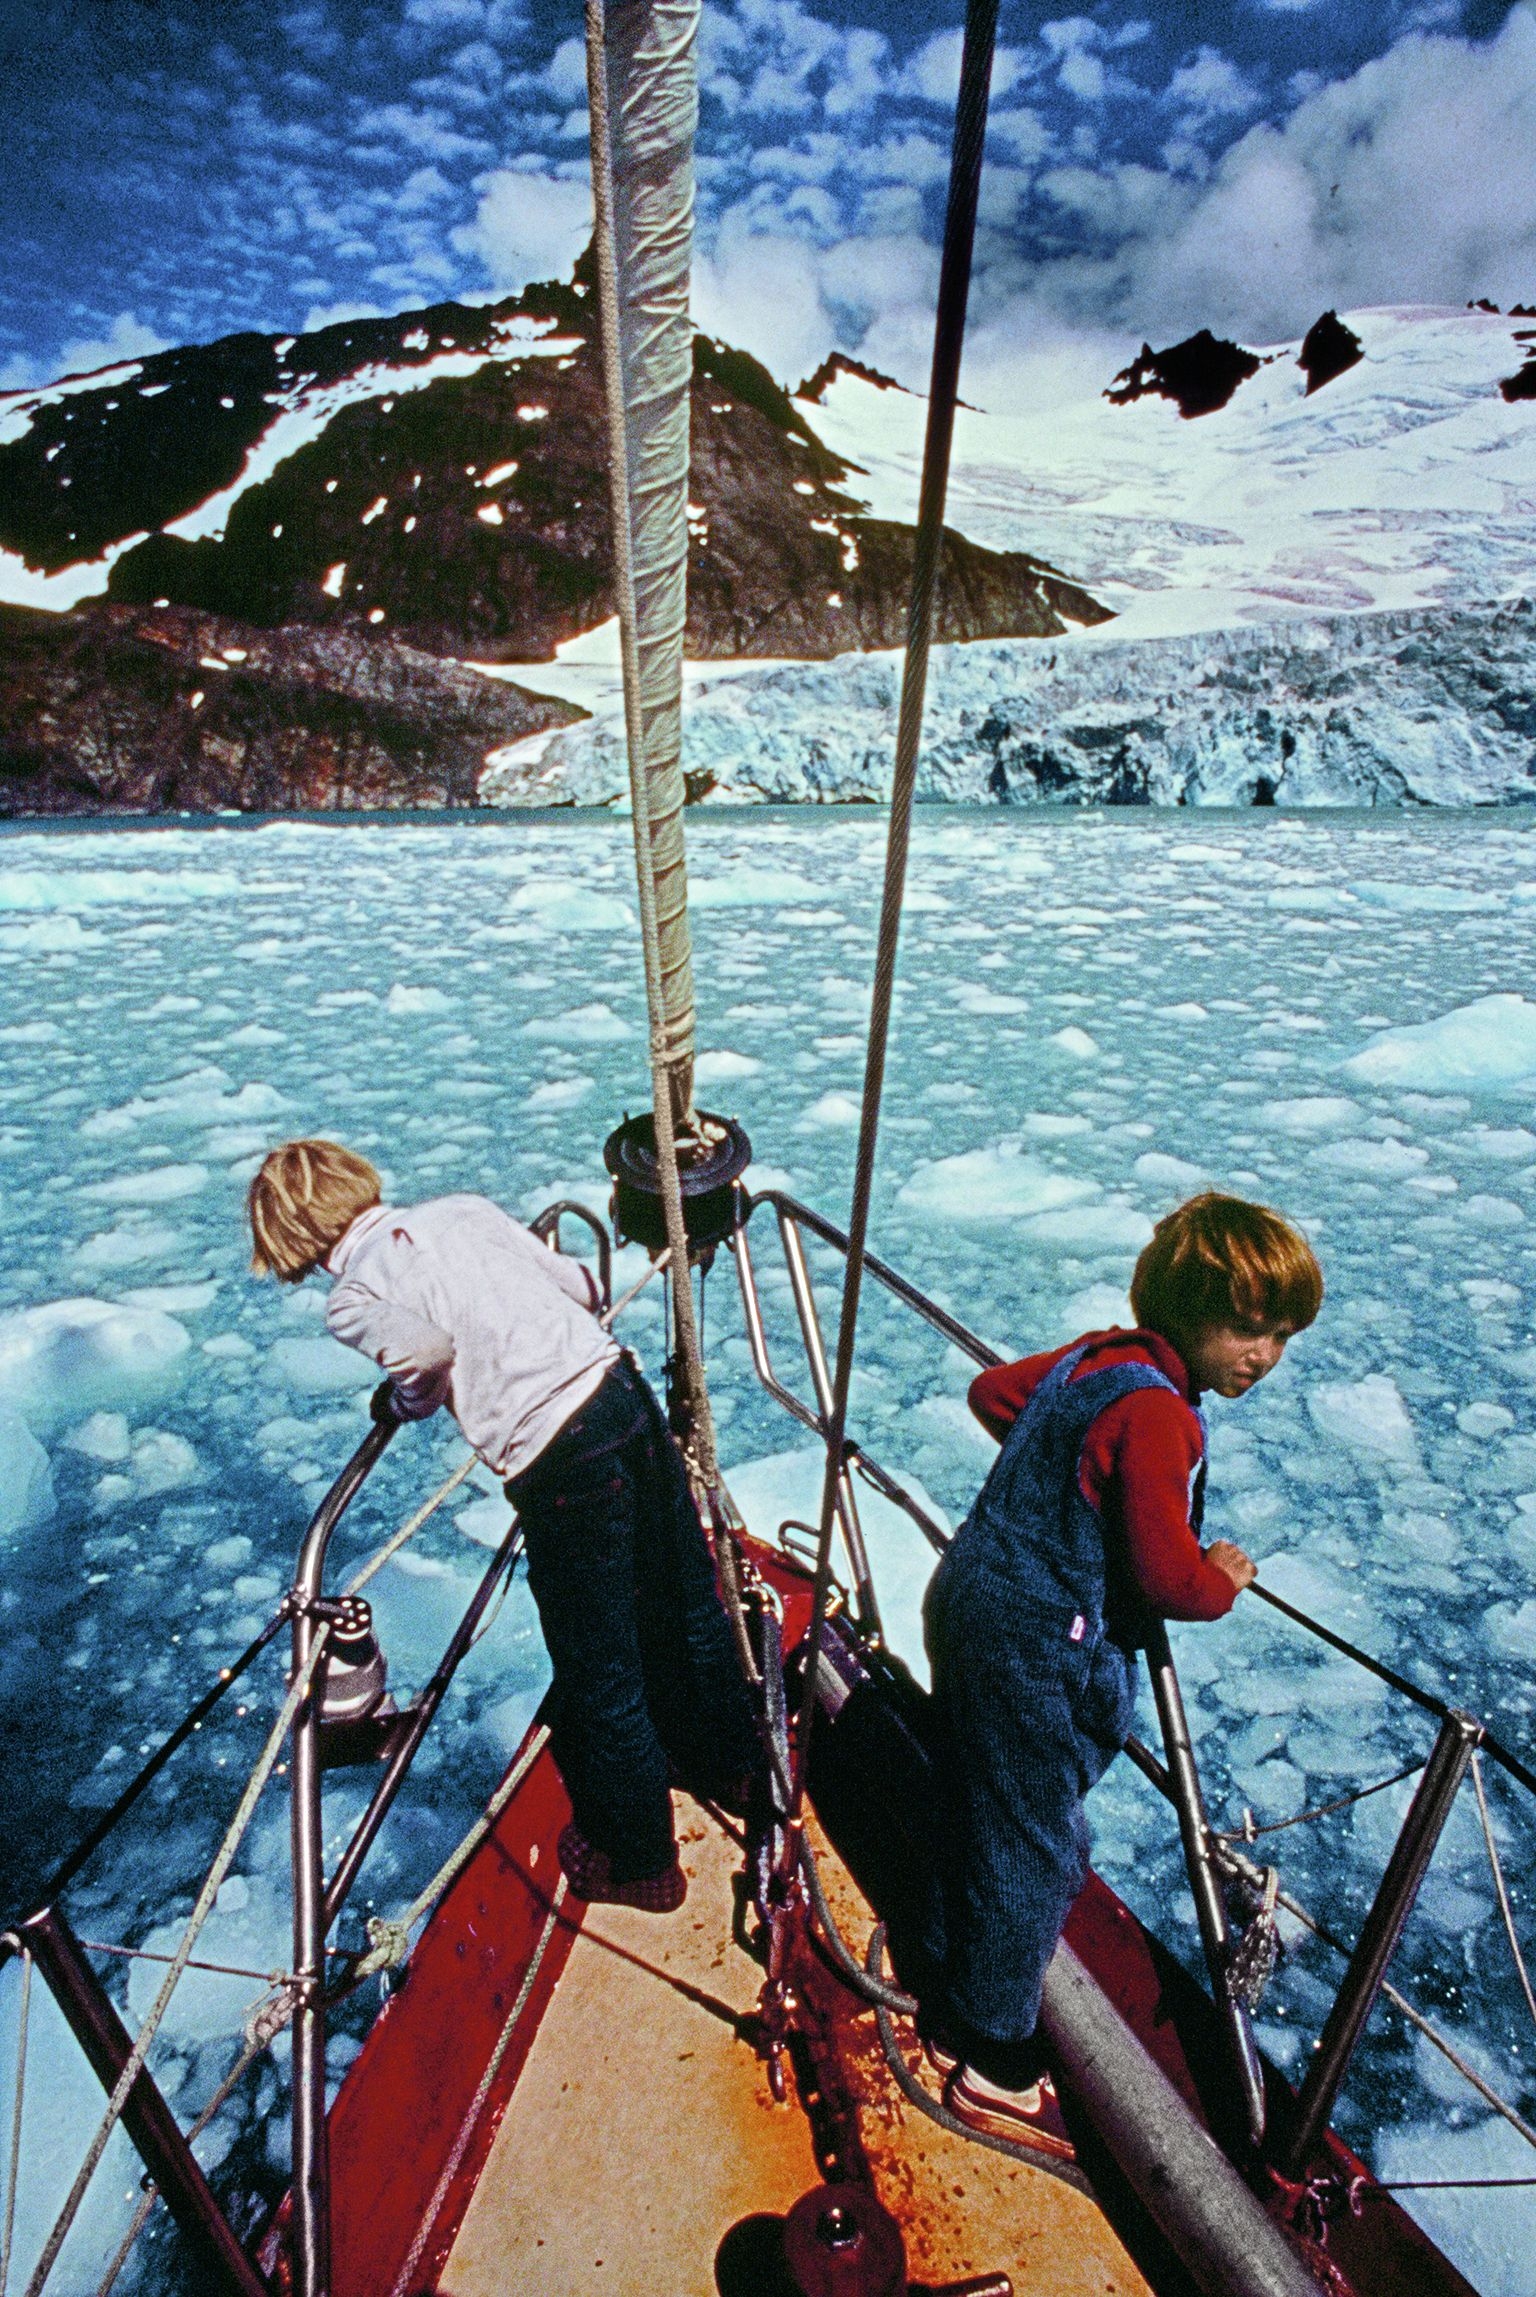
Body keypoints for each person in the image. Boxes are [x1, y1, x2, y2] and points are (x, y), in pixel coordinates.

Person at [247, 1138, 761, 1914]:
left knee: (600, 1665)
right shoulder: (460, 1210)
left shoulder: (352, 1295)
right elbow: (583, 1286)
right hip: (619, 1393)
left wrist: (408, 1401)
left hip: (559, 1454)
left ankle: (641, 1863)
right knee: (687, 1598)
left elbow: (424, 1351)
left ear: (293, 1241)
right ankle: (735, 1767)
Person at [922, 1191, 1322, 2156]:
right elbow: (1164, 1578)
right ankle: (992, 2054)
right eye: (1247, 1329)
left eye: (1280, 1335)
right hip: (1033, 1639)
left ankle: (941, 1964)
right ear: (1186, 1311)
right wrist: (1220, 1576)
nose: (1263, 1355)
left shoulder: (1097, 1359)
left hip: (971, 1592)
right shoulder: (1159, 1416)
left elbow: (993, 1395)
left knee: (980, 1791)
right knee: (1037, 1840)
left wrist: (1076, 1469)